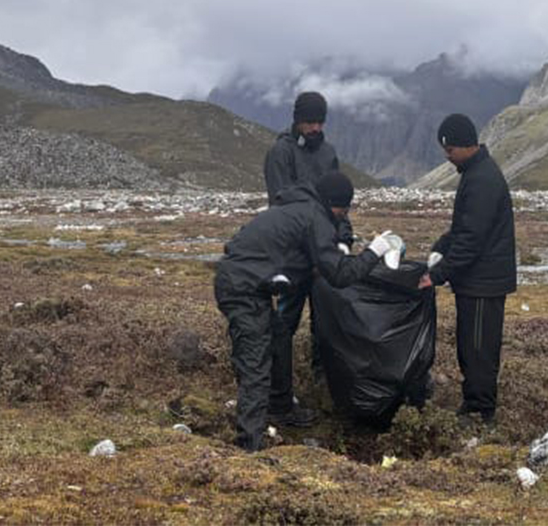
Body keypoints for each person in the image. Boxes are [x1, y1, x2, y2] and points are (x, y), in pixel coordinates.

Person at [214, 171, 400, 451]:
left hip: (242, 282)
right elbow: (340, 275)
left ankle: (280, 407)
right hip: (243, 290)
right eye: (343, 210)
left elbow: (286, 253)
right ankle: (249, 444)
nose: (343, 215)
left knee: (279, 338)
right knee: (255, 361)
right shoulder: (316, 217)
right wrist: (376, 250)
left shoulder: (297, 208)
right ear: (333, 203)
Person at [418, 113, 517, 425]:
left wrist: (436, 275)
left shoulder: (482, 179)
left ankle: (481, 410)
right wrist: (442, 244)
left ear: (463, 145)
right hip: (478, 281)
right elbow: (464, 228)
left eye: (449, 150)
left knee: (478, 347)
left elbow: (471, 240)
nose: (447, 157)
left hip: (484, 282)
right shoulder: (476, 173)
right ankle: (473, 402)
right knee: (471, 344)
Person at [261, 90, 351, 418]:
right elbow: (282, 203)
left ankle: (323, 382)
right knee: (284, 322)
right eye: (309, 122)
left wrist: (343, 239)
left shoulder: (328, 153)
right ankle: (277, 391)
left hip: (325, 253)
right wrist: (312, 245)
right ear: (297, 120)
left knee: (326, 321)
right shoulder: (280, 153)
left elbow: (339, 201)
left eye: (319, 122)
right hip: (295, 257)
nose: (315, 128)